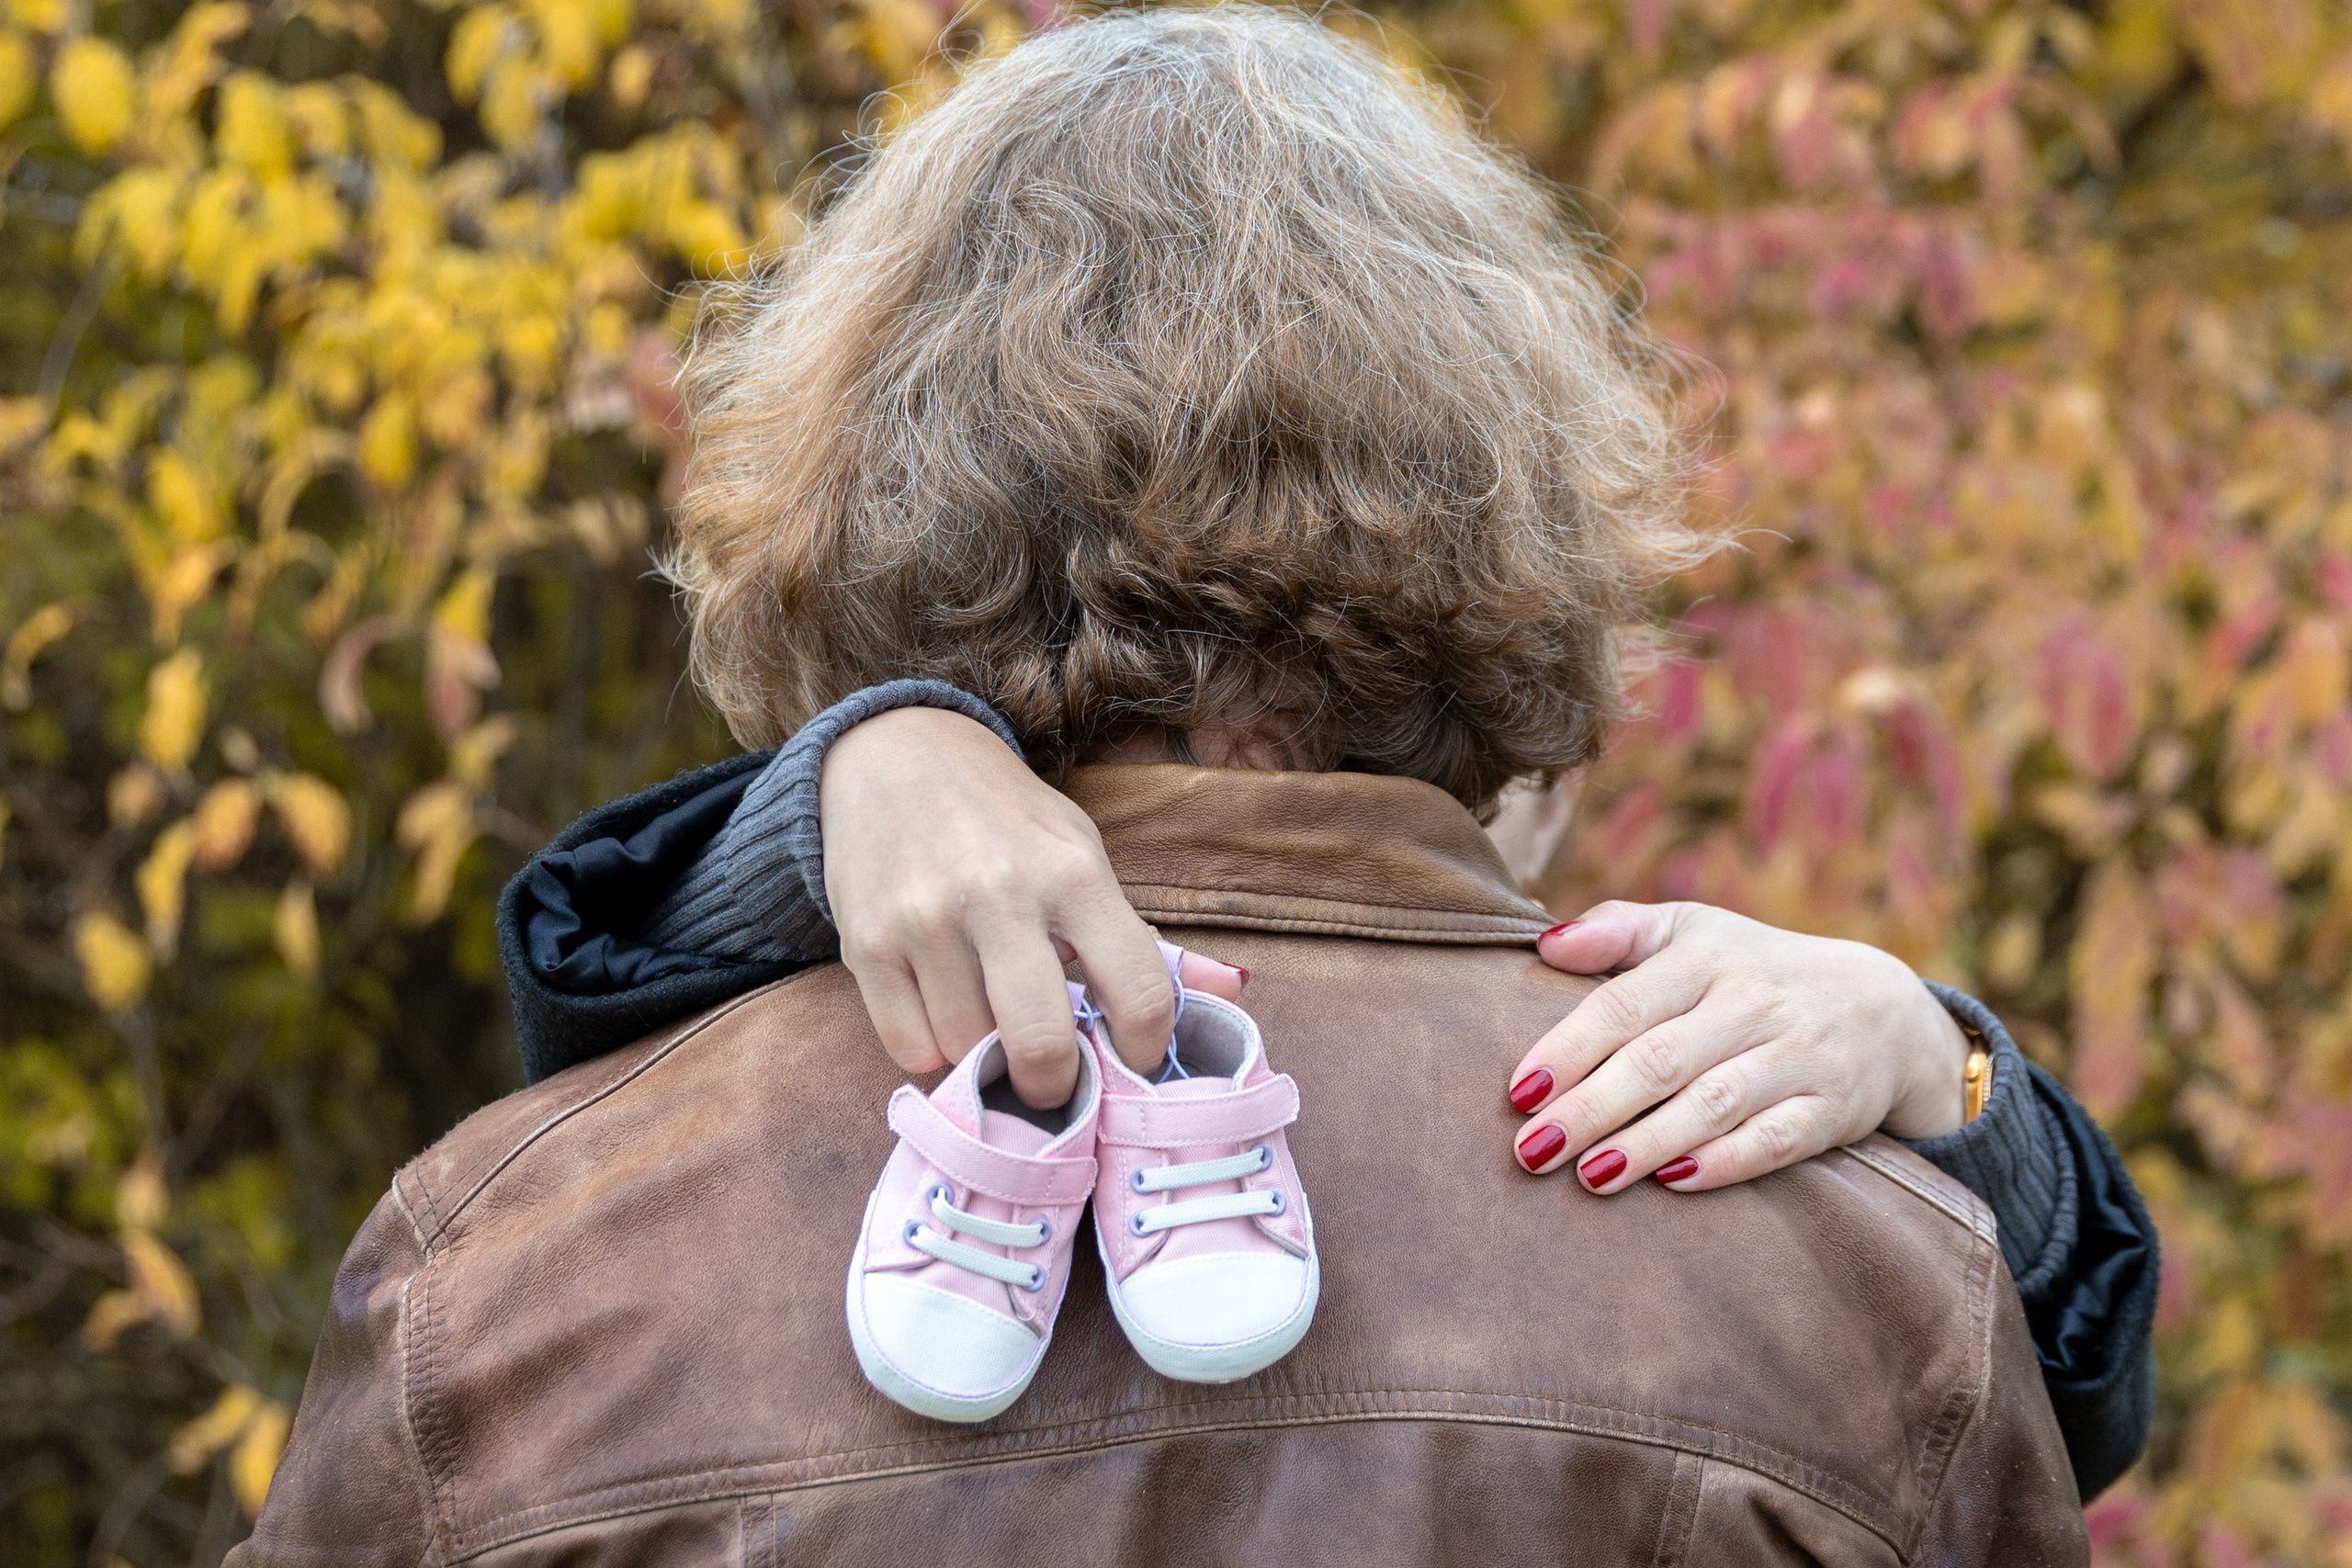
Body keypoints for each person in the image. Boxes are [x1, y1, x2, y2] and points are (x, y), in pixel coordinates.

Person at [236, 11, 2128, 1561]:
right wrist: (1949, 1091)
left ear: (848, 505)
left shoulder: (517, 1263)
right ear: (1518, 524)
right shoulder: (1866, 1270)